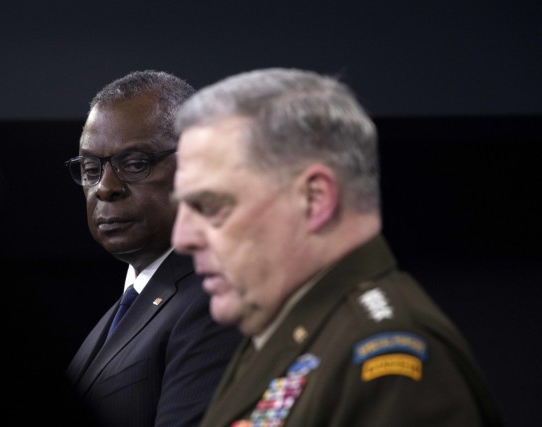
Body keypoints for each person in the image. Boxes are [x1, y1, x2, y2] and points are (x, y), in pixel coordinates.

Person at [170, 68, 505, 427]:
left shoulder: (384, 359)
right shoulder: (290, 329)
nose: (182, 238)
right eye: (181, 209)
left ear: (314, 200)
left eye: (211, 206)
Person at [65, 70, 242, 427]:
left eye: (134, 164)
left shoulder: (216, 300)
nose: (105, 188)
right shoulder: (130, 305)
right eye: (91, 168)